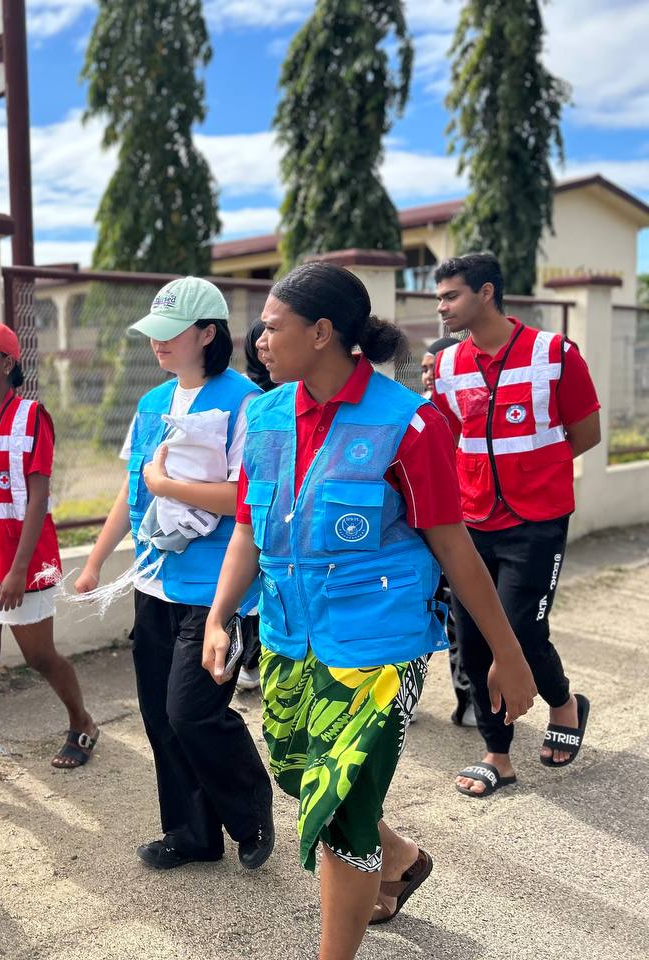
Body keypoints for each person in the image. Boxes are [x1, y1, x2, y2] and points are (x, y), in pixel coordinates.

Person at [202, 262, 538, 958]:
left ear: (321, 333)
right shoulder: (263, 417)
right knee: (301, 776)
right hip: (290, 638)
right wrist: (219, 614)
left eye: (273, 327)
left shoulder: (408, 425)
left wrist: (508, 654)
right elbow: (248, 528)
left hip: (379, 648)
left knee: (341, 812)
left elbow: (454, 546)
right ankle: (402, 859)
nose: (259, 340)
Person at [76, 277, 275, 872]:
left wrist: (168, 485)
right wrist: (95, 560)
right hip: (153, 580)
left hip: (217, 591)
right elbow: (131, 489)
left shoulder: (246, 402)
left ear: (208, 334)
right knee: (161, 717)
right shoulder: (153, 402)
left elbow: (244, 498)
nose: (157, 343)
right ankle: (192, 835)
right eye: (153, 333)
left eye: (171, 332)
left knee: (193, 711)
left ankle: (251, 812)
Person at [429, 253, 601, 797]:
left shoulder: (554, 353)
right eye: (438, 298)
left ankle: (564, 703)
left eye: (451, 295)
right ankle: (497, 754)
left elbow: (586, 432)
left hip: (537, 519)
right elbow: (446, 436)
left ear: (486, 292)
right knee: (474, 636)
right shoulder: (447, 364)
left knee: (522, 630)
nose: (442, 307)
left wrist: (534, 473)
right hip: (470, 519)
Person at [0, 322, 99, 803]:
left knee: (38, 656)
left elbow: (38, 498)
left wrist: (16, 569)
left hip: (18, 564)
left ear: (8, 363)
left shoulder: (31, 417)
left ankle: (82, 721)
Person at [422, 335, 475, 726]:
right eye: (425, 368)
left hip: (462, 532)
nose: (428, 375)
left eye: (434, 367)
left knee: (461, 621)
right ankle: (403, 700)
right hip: (420, 538)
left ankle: (469, 700)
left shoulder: (469, 415)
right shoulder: (415, 413)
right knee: (419, 618)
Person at [235, 319, 278, 691]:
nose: (264, 345)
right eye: (257, 340)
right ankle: (250, 659)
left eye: (272, 334)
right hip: (253, 514)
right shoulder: (247, 399)